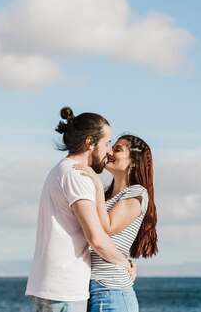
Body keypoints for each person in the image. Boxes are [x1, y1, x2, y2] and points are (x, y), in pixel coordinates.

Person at [26, 107, 135, 312]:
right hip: (64, 290)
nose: (109, 151)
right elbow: (97, 238)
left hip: (49, 287)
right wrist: (125, 262)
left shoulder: (61, 170)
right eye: (107, 143)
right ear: (89, 143)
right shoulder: (77, 176)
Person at [74, 134, 158, 312]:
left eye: (118, 149)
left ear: (134, 162)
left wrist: (96, 184)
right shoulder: (105, 196)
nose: (110, 152)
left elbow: (107, 228)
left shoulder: (137, 193)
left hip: (111, 290)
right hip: (93, 288)